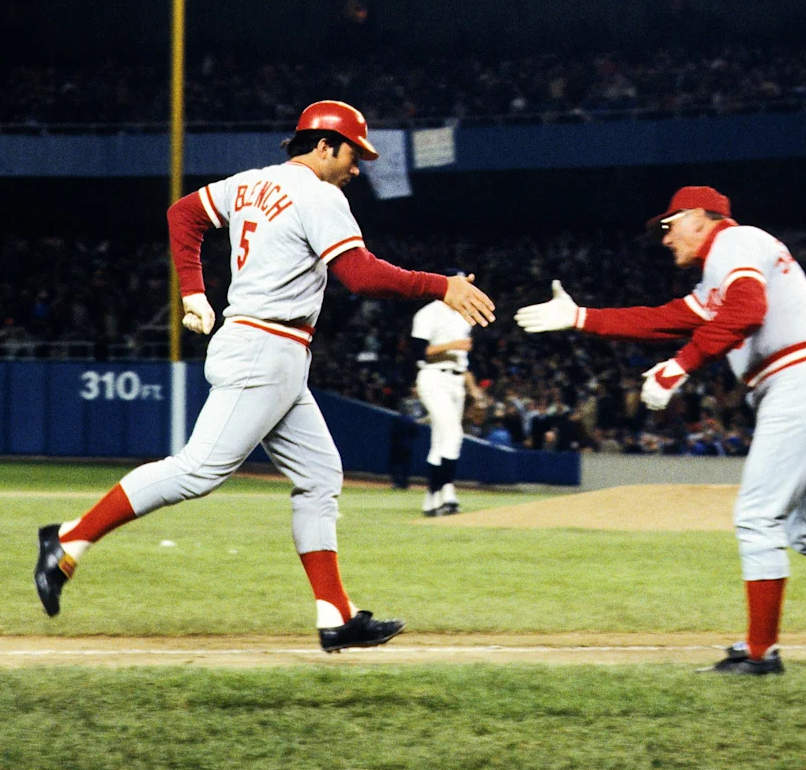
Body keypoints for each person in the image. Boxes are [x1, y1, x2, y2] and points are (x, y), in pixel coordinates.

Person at [34, 100, 495, 652]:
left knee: (321, 475)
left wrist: (194, 292)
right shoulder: (320, 195)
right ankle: (67, 541)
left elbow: (183, 213)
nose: (358, 167)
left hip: (271, 350)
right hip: (264, 347)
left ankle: (335, 615)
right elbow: (362, 276)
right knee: (197, 471)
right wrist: (441, 284)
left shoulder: (253, 182)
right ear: (324, 145)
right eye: (354, 153)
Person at [516, 184, 806, 676]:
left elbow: (747, 311)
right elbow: (665, 319)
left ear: (700, 218)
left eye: (669, 226)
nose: (665, 239)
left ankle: (761, 654)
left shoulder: (735, 242)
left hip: (802, 383)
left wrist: (679, 367)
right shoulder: (725, 266)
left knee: (758, 517)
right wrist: (583, 318)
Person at [411, 279, 476, 515]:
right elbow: (418, 353)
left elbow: (463, 361)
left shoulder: (461, 315)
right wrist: (453, 344)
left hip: (456, 380)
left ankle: (434, 499)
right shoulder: (427, 313)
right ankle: (443, 493)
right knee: (453, 434)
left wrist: (475, 390)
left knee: (441, 441)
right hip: (433, 377)